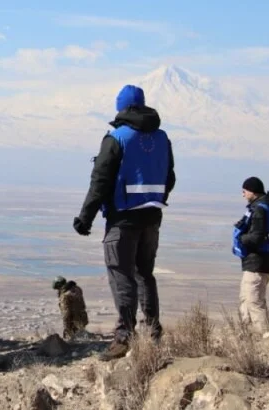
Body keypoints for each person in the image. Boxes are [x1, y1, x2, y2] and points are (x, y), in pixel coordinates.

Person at [73, 84, 176, 361]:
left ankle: (123, 338)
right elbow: (170, 178)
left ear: (121, 108)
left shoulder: (116, 138)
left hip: (124, 218)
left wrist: (85, 218)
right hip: (153, 217)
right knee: (145, 274)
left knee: (122, 275)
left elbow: (100, 182)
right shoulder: (163, 138)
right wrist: (155, 199)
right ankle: (153, 334)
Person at [232, 177, 269, 334]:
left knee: (254, 302)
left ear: (252, 191)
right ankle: (249, 336)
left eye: (244, 191)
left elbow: (256, 237)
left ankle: (264, 338)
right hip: (261, 262)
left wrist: (240, 239)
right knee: (247, 299)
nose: (243, 195)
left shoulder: (259, 209)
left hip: (258, 263)